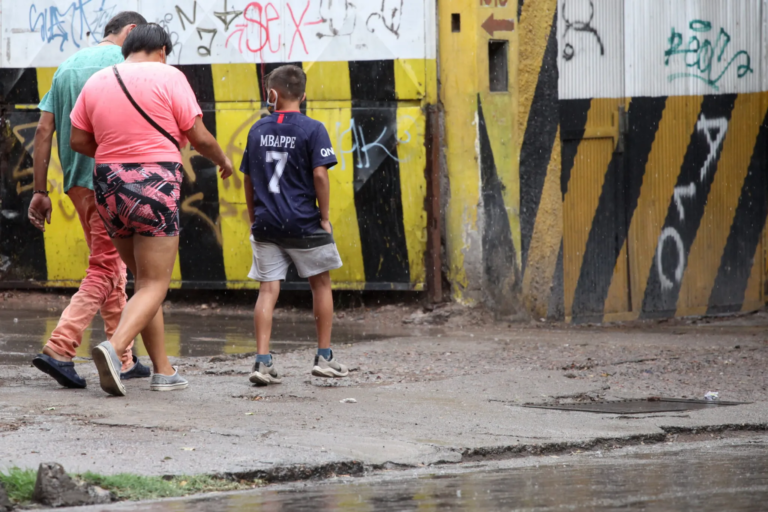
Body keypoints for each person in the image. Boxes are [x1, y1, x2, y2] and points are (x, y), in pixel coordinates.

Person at [69, 24, 234, 396]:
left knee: (143, 282)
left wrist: (119, 156)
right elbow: (199, 136)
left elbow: (77, 139)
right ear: (162, 49)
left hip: (108, 184)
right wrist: (223, 159)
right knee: (156, 283)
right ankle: (114, 349)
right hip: (154, 182)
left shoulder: (96, 81)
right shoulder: (169, 76)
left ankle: (163, 370)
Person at [28, 11, 151, 389]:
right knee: (104, 267)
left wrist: (39, 190)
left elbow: (44, 131)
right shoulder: (127, 66)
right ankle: (60, 347)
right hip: (114, 181)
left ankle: (124, 357)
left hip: (77, 183)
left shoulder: (66, 67)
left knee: (112, 267)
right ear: (131, 32)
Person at [241, 65, 348, 386]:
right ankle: (324, 357)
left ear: (271, 94)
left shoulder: (257, 130)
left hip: (266, 223)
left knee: (268, 289)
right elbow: (320, 175)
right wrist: (325, 217)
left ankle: (262, 361)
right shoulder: (313, 129)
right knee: (321, 285)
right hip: (304, 222)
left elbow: (249, 179)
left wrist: (253, 216)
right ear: (303, 95)